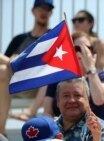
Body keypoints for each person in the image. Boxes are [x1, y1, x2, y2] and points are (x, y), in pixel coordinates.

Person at [0, 0, 54, 138]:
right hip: (15, 82)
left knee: (48, 69)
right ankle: (1, 131)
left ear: (51, 13)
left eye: (47, 9)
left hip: (38, 84)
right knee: (2, 69)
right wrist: (13, 61)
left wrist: (18, 62)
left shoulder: (52, 37)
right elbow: (6, 65)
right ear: (33, 11)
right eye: (41, 8)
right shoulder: (19, 39)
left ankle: (28, 112)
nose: (44, 12)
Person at [43, 31, 104, 122]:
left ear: (93, 53)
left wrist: (90, 68)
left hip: (96, 133)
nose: (82, 52)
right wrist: (53, 122)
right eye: (77, 48)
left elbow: (99, 100)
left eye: (87, 48)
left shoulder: (102, 76)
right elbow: (47, 112)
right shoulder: (57, 78)